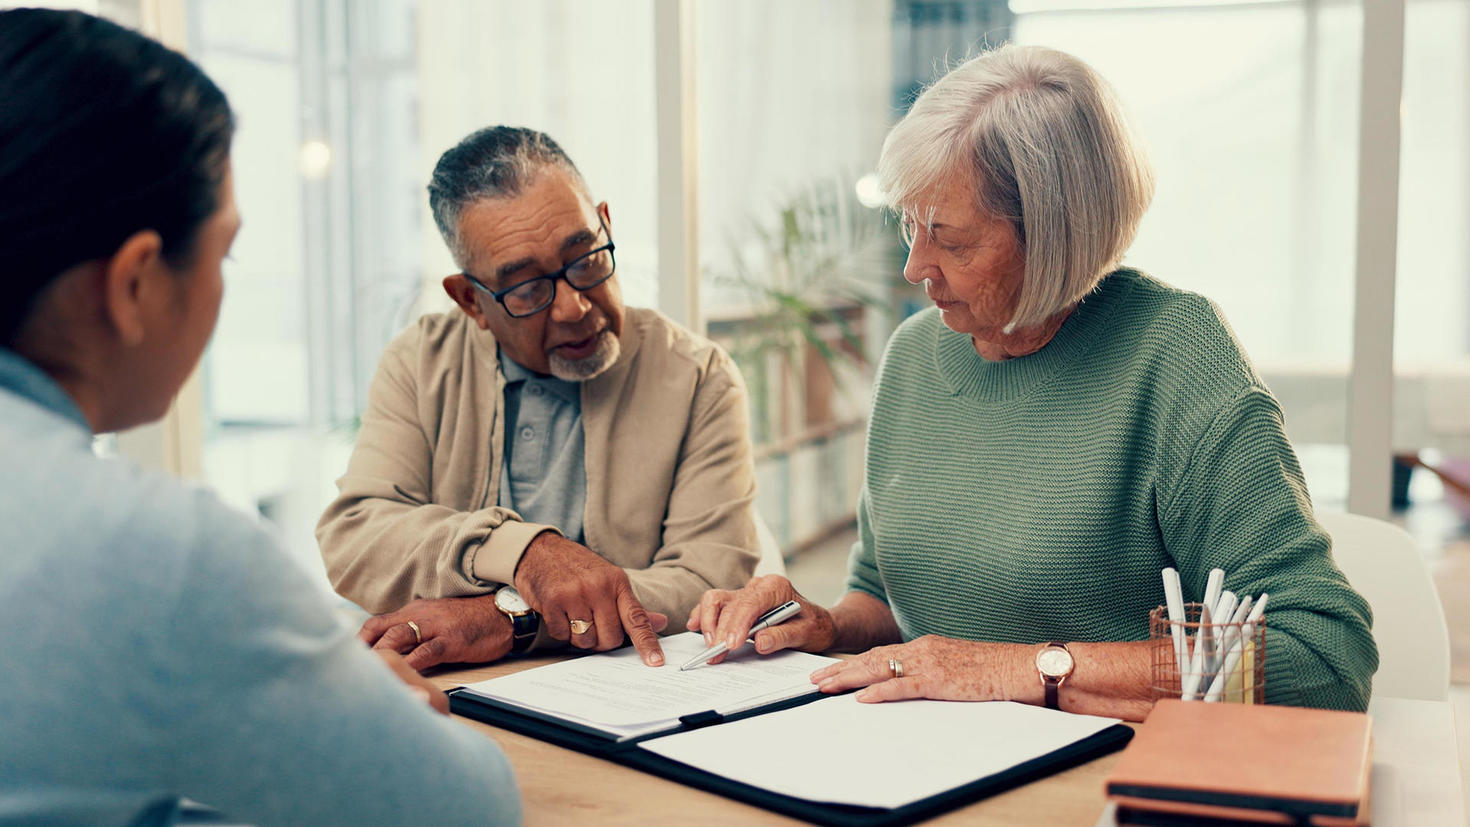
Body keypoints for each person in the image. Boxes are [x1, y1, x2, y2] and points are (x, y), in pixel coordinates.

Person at [690, 44, 1377, 720]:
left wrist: (1025, 670)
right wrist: (820, 623)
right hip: (924, 763)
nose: (914, 267)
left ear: (1054, 235)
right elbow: (889, 600)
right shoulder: (913, 356)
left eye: (950, 240)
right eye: (909, 226)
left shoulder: (1174, 354)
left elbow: (1321, 654)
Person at [0, 10, 519, 825]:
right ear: (134, 282)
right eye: (224, 252)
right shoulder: (154, 550)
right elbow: (467, 809)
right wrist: (373, 716)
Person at [317, 126, 759, 670]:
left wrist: (509, 619)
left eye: (586, 259)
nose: (573, 306)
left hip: (627, 690)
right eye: (527, 289)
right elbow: (358, 533)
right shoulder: (421, 361)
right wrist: (524, 552)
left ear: (606, 224)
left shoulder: (699, 376)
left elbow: (708, 582)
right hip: (448, 686)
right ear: (471, 301)